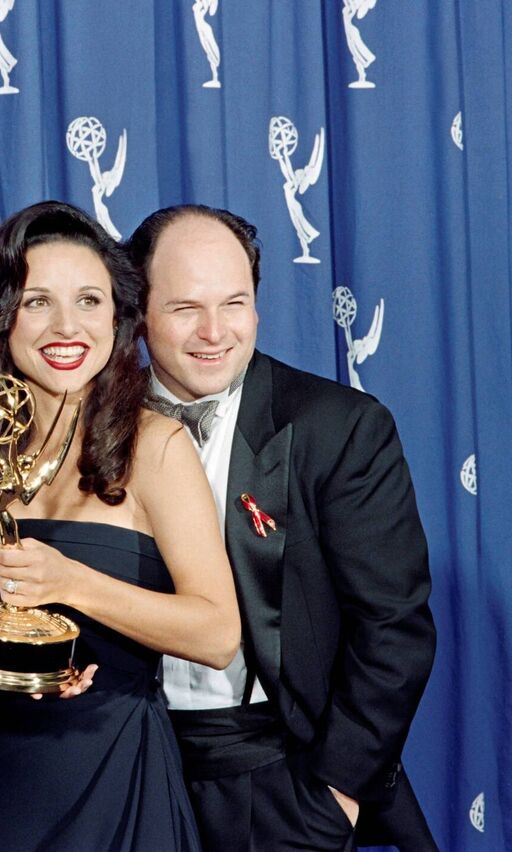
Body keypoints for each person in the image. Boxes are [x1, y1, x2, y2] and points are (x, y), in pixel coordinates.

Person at [0, 201, 241, 851]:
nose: (67, 326)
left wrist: (70, 583)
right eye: (38, 301)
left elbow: (217, 633)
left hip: (116, 785)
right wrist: (4, 667)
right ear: (2, 316)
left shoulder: (157, 447)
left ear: (118, 319)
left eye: (89, 301)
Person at [126, 204, 436, 851]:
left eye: (234, 303)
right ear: (139, 311)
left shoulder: (340, 427)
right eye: (186, 308)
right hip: (129, 764)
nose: (215, 331)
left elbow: (393, 630)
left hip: (278, 773)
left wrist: (336, 797)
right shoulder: (90, 427)